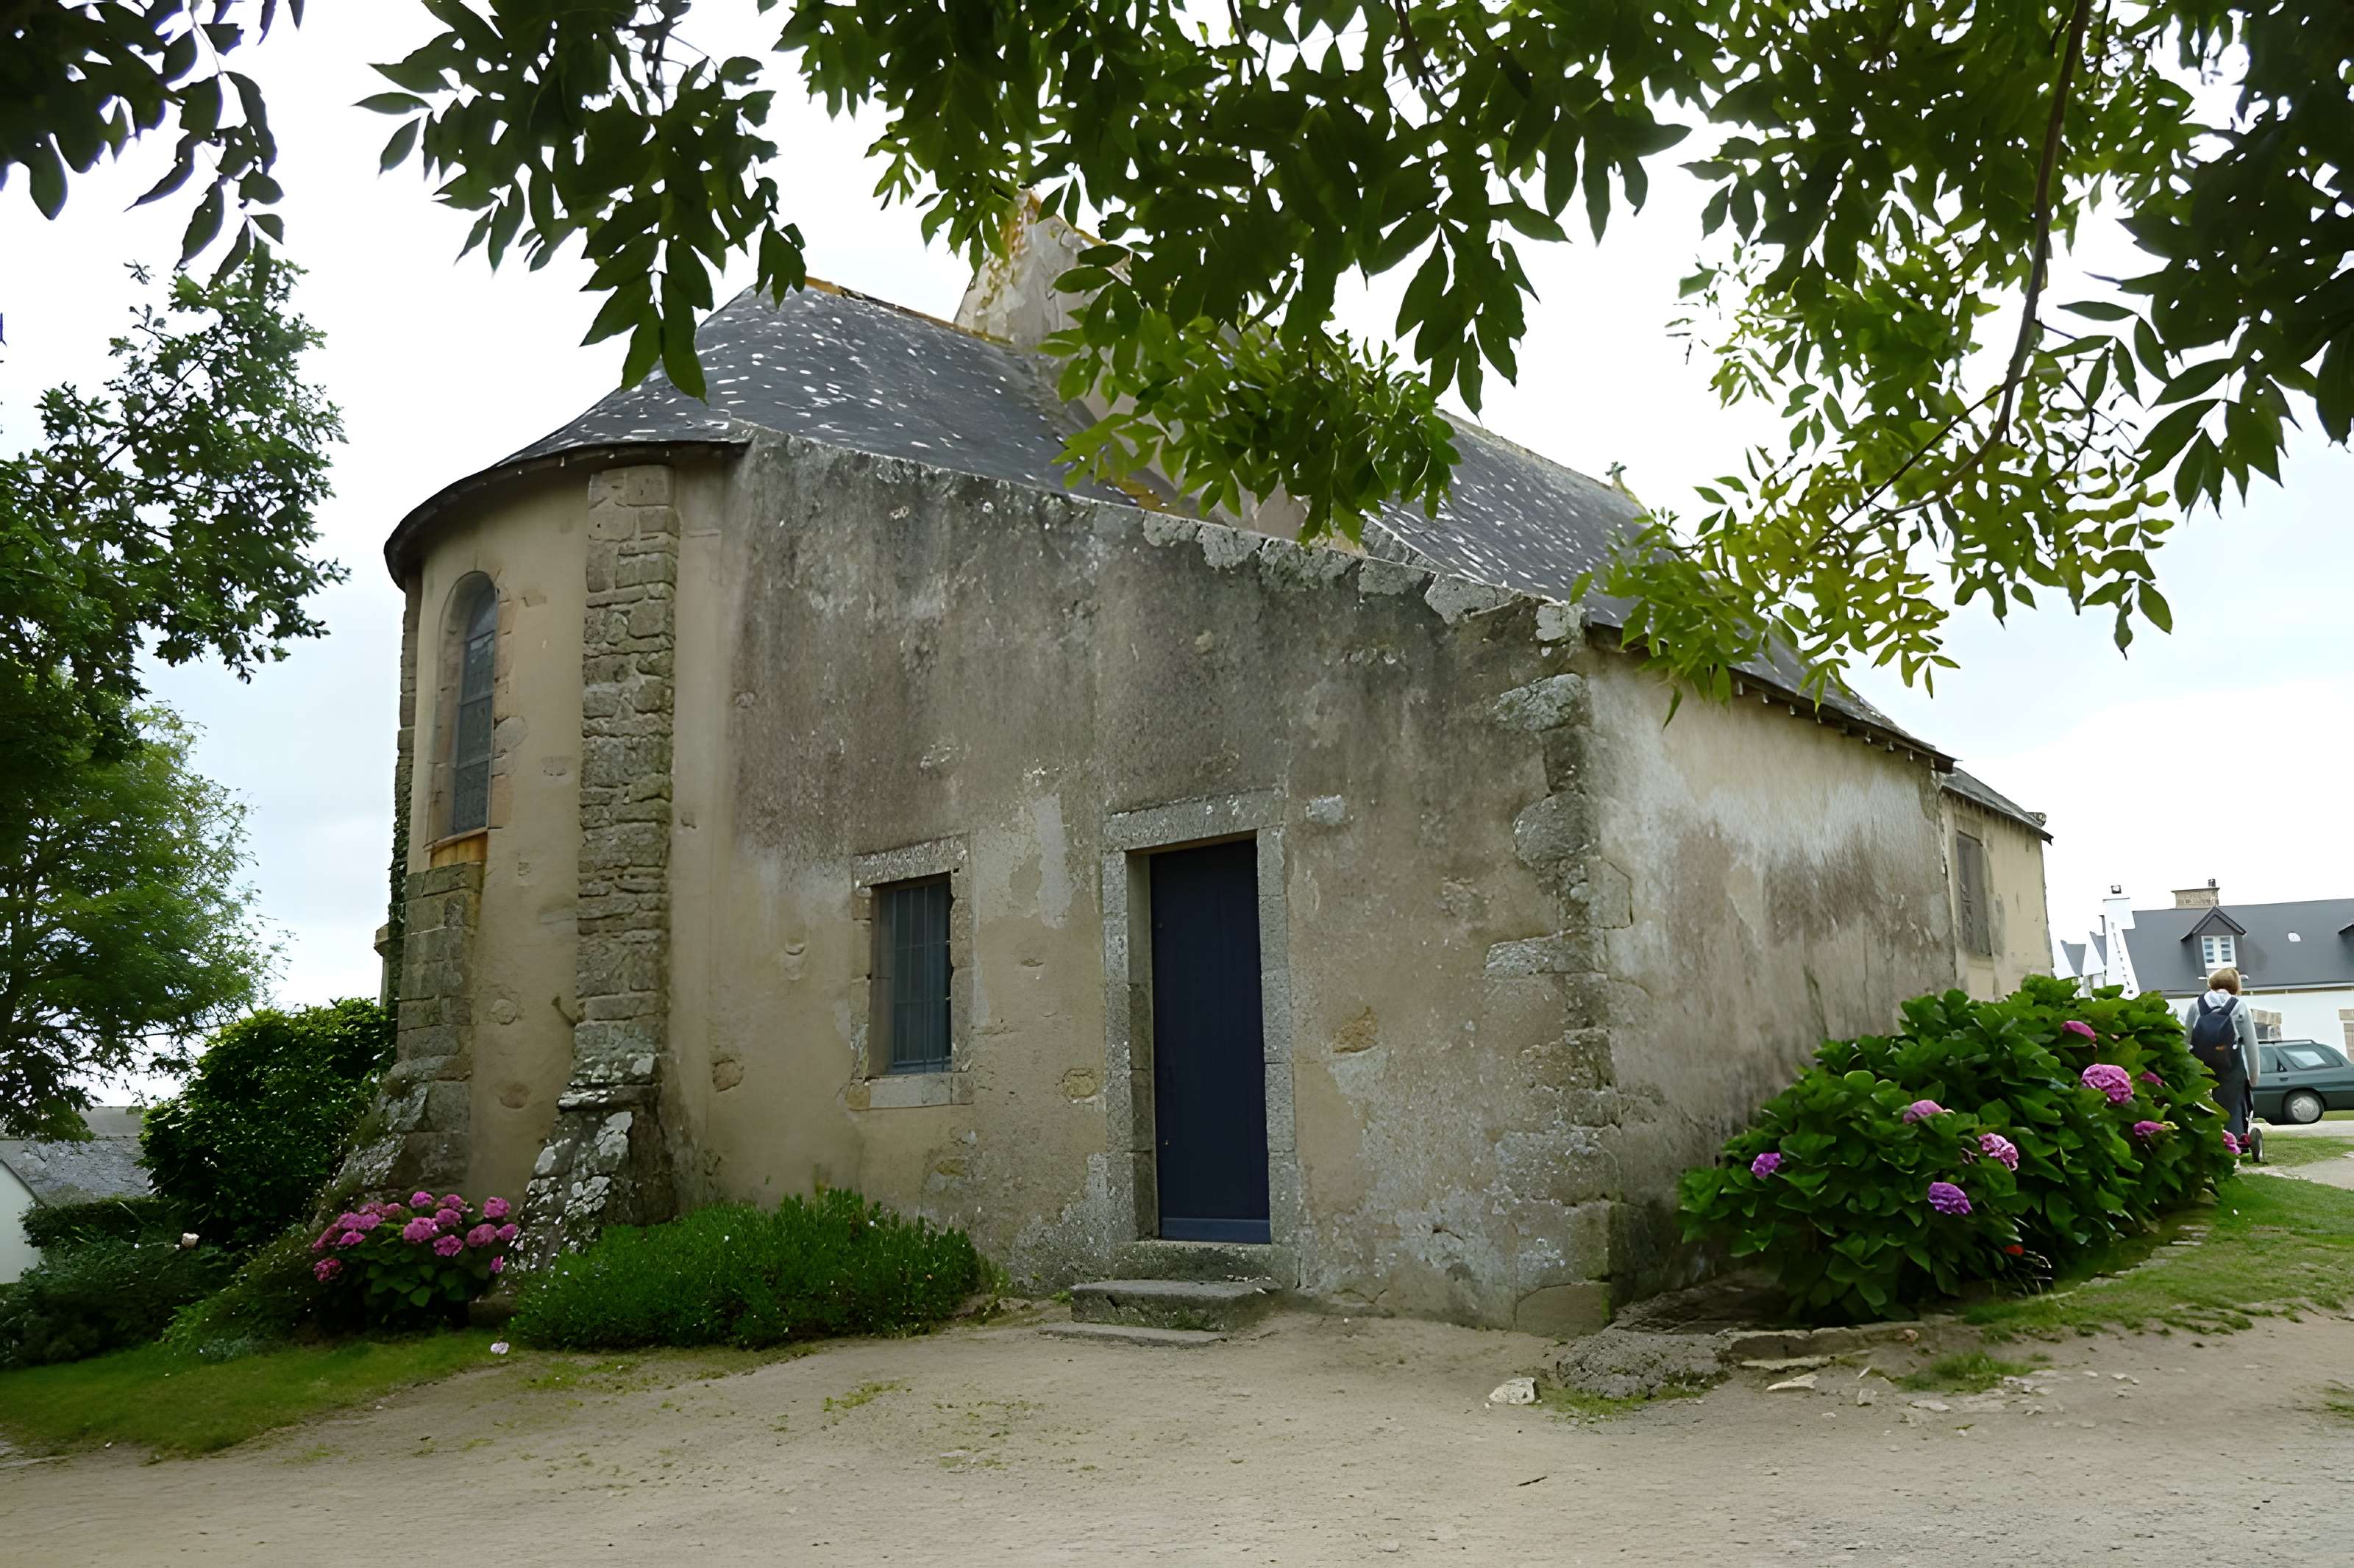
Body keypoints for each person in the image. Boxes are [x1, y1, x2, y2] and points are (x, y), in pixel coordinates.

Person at [2184, 966, 2261, 1141]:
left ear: (2212, 984)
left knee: (2200, 1103)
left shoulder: (2196, 1005)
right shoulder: (2239, 1006)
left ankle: (2203, 1141)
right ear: (2236, 986)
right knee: (2231, 1106)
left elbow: (2186, 1039)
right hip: (2230, 1064)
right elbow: (2251, 1044)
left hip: (2200, 1062)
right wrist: (2254, 1077)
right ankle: (2232, 1144)